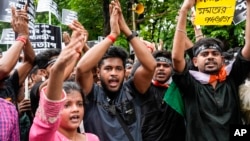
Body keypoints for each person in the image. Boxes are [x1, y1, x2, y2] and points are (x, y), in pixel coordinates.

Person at [75, 0, 156, 140]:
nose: (113, 73)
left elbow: (151, 65)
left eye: (118, 68)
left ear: (125, 72)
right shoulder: (91, 94)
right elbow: (81, 68)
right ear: (98, 72)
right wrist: (112, 35)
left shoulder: (132, 91)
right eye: (108, 68)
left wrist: (125, 29)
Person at [171, 0, 250, 141]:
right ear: (195, 61)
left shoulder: (232, 78)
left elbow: (249, 45)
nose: (210, 57)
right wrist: (184, 10)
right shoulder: (190, 85)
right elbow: (177, 59)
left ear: (223, 60)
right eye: (204, 54)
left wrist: (249, 5)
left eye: (215, 54)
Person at [29, 20, 99, 141]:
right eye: (66, 105)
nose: (75, 109)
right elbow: (51, 103)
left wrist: (79, 49)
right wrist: (63, 62)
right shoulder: (46, 137)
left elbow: (90, 69)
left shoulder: (92, 138)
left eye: (80, 104)